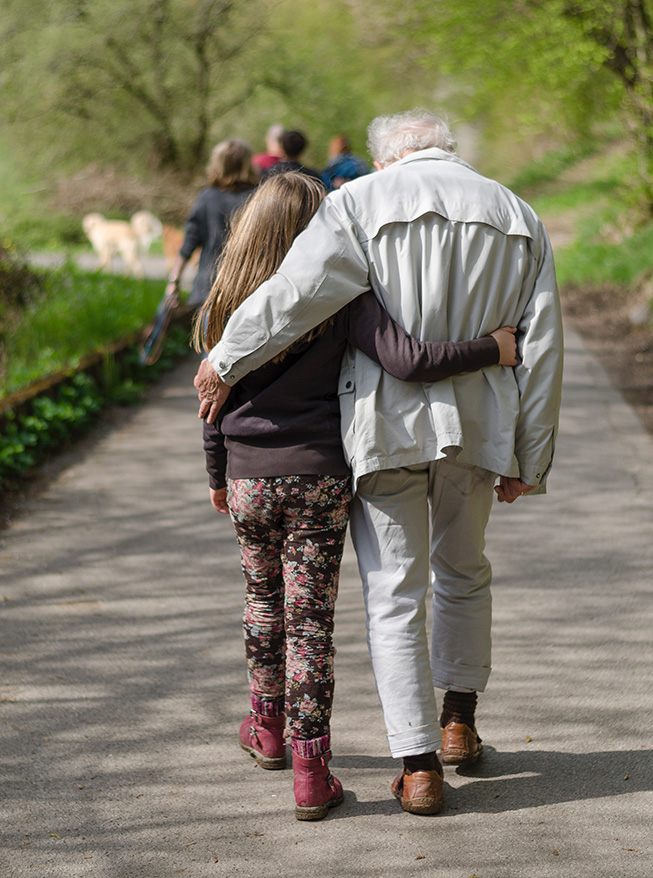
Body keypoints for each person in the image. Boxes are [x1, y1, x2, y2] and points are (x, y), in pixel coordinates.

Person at [193, 109, 564, 816]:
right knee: (465, 572)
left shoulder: (356, 203)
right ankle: (459, 719)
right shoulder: (517, 213)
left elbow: (295, 296)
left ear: (385, 158)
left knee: (395, 594)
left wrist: (223, 359)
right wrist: (531, 457)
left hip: (384, 426)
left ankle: (418, 767)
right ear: (446, 150)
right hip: (481, 426)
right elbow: (541, 346)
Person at [164, 139, 258, 310]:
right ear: (247, 164)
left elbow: (189, 243)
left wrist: (174, 282)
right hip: (247, 289)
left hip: (207, 287)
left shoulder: (207, 198)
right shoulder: (258, 198)